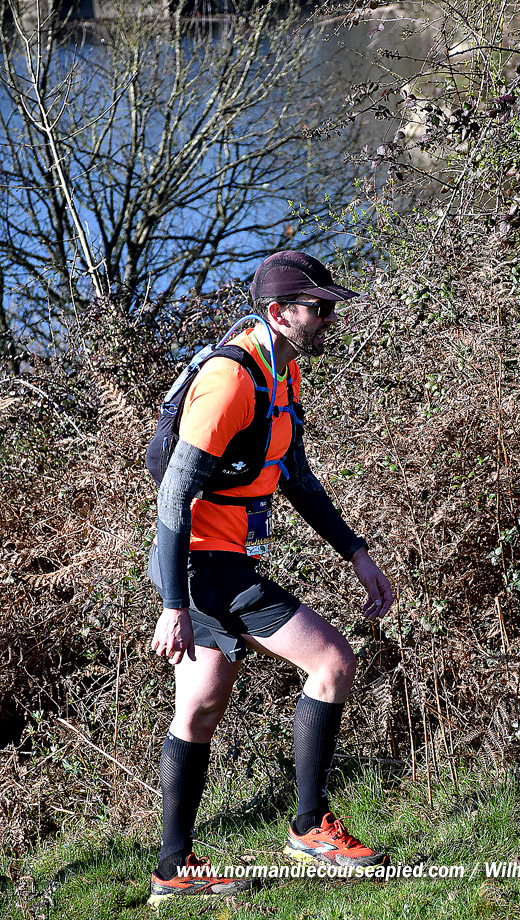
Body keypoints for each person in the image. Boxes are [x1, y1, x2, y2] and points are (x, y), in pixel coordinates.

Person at [147, 250, 394, 906]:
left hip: (221, 561)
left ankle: (173, 869)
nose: (330, 318)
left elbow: (296, 477)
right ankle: (310, 829)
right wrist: (173, 603)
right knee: (332, 661)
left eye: (332, 307)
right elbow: (173, 496)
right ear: (279, 312)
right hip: (202, 564)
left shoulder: (283, 374)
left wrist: (355, 552)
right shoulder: (231, 381)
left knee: (200, 707)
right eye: (320, 308)